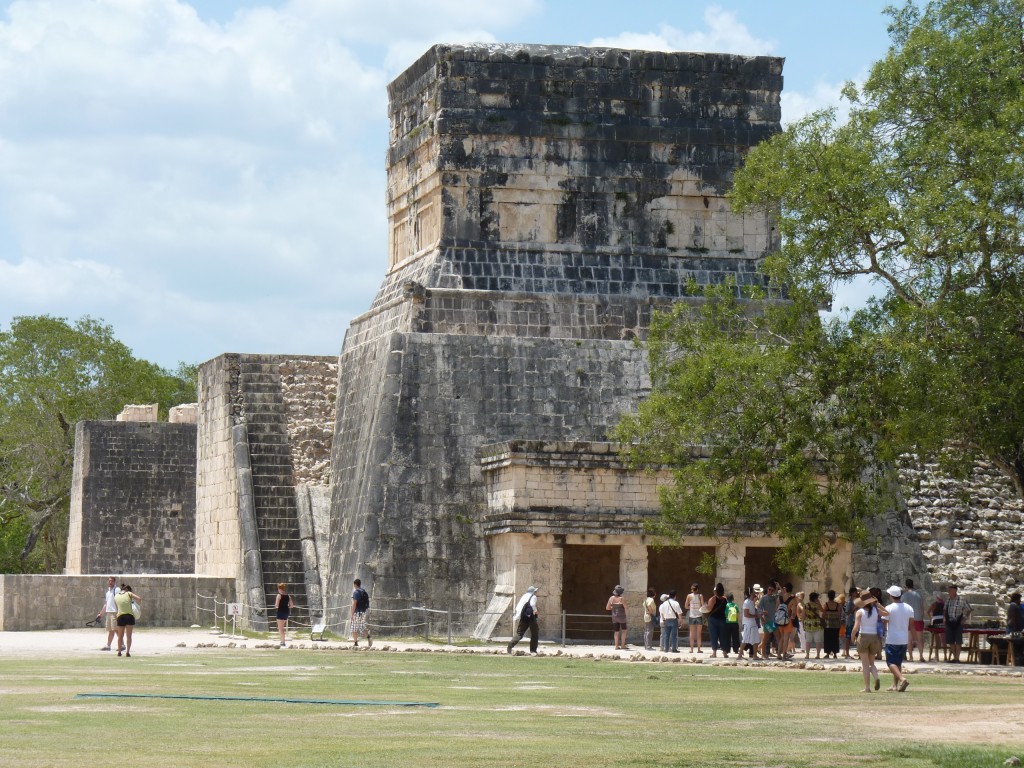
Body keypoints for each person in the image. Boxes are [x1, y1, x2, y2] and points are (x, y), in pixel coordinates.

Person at [851, 589, 888, 692]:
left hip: (863, 637)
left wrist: (852, 636)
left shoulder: (860, 612)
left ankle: (867, 687)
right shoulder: (876, 610)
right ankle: (876, 677)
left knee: (865, 665)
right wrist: (878, 604)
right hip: (874, 637)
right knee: (872, 663)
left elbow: (856, 627)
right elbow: (887, 613)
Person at [883, 585, 913, 692]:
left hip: (892, 638)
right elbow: (911, 624)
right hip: (903, 638)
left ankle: (902, 678)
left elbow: (885, 622)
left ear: (891, 595)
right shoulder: (909, 607)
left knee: (890, 663)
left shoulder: (889, 608)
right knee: (898, 663)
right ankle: (894, 685)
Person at [943, 584, 972, 663]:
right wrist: (945, 618)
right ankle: (955, 657)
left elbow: (969, 609)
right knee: (950, 641)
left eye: (950, 590)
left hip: (958, 622)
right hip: (949, 622)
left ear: (955, 590)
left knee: (958, 640)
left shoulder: (961, 600)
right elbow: (945, 610)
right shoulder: (948, 600)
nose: (948, 592)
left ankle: (957, 658)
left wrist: (964, 618)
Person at [508, 586, 540, 655]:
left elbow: (518, 607)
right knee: (535, 633)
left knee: (520, 633)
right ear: (533, 592)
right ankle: (533, 650)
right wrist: (535, 611)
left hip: (523, 617)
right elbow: (532, 604)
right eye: (535, 591)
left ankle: (510, 645)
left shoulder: (524, 596)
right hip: (531, 617)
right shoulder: (533, 596)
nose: (536, 592)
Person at [113, 583, 141, 658]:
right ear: (127, 589)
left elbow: (117, 606)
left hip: (120, 616)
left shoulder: (116, 596)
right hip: (129, 616)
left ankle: (119, 652)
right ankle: (127, 652)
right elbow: (139, 598)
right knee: (129, 636)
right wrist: (135, 604)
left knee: (120, 636)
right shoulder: (129, 593)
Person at [903, 578, 926, 663]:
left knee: (909, 639)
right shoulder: (918, 595)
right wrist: (922, 617)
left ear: (905, 586)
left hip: (908, 619)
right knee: (919, 638)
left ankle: (911, 657)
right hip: (918, 618)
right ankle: (921, 656)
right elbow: (922, 608)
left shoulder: (904, 596)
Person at [95, 576, 121, 652]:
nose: (110, 582)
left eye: (111, 581)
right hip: (109, 612)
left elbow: (119, 601)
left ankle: (122, 645)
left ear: (114, 582)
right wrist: (100, 614)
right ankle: (108, 645)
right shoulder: (108, 592)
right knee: (111, 630)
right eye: (109, 581)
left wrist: (120, 612)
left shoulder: (117, 590)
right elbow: (106, 605)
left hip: (115, 612)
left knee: (116, 629)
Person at [706, 583, 728, 658]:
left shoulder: (713, 599)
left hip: (713, 619)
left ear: (716, 591)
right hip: (722, 619)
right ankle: (724, 653)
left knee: (714, 636)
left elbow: (708, 609)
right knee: (723, 636)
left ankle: (714, 653)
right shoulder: (725, 599)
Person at [350, 578, 372, 647]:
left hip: (357, 612)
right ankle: (369, 637)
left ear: (355, 584)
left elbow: (354, 604)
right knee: (362, 627)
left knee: (354, 628)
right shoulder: (363, 591)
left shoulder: (356, 592)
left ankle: (355, 643)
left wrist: (352, 614)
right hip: (363, 612)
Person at [606, 585, 629, 650]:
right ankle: (622, 645)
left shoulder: (611, 598)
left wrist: (613, 608)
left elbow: (607, 608)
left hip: (614, 617)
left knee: (616, 631)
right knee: (624, 630)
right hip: (622, 617)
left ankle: (616, 646)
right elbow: (626, 607)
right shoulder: (622, 599)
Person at [802, 592, 824, 660]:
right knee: (818, 641)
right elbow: (822, 610)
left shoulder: (806, 605)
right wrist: (819, 603)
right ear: (816, 598)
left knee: (808, 641)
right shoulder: (817, 605)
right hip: (817, 624)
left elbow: (803, 616)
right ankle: (818, 655)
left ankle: (807, 655)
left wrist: (803, 624)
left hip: (808, 624)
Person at [684, 583, 705, 653]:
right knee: (699, 633)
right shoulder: (700, 596)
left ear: (692, 589)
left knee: (691, 633)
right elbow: (702, 606)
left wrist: (691, 607)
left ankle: (691, 649)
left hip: (692, 615)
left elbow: (686, 606)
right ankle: (699, 649)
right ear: (698, 589)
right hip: (699, 615)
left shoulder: (689, 596)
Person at [822, 590, 842, 659]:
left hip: (828, 624)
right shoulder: (837, 605)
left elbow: (823, 614)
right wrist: (840, 623)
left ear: (828, 596)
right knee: (835, 639)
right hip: (836, 624)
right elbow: (839, 615)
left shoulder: (826, 604)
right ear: (834, 596)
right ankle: (835, 654)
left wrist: (822, 622)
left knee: (827, 639)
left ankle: (827, 653)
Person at [741, 587, 760, 659]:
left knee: (756, 639)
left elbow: (753, 612)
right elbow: (746, 614)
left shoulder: (751, 602)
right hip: (748, 624)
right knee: (745, 639)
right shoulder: (746, 602)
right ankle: (740, 655)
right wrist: (755, 615)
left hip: (753, 623)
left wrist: (758, 615)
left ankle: (755, 655)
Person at [275, 582, 294, 648]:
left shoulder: (279, 595)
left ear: (279, 588)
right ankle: (282, 641)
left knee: (280, 628)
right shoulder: (288, 596)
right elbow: (292, 605)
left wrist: (279, 606)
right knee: (282, 627)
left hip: (280, 611)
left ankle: (283, 642)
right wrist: (286, 606)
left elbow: (276, 605)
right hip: (286, 612)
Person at [842, 586, 859, 659]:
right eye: (855, 592)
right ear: (852, 593)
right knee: (848, 638)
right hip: (850, 622)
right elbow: (847, 613)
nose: (856, 593)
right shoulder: (849, 602)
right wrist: (854, 608)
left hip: (856, 621)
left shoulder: (857, 601)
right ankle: (847, 654)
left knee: (858, 637)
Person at [724, 592, 741, 658]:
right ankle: (736, 649)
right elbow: (738, 615)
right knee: (735, 637)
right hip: (735, 623)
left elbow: (725, 614)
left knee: (727, 637)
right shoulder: (735, 605)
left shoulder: (726, 606)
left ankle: (727, 650)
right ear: (733, 598)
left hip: (727, 623)